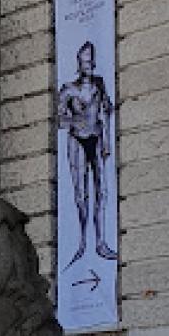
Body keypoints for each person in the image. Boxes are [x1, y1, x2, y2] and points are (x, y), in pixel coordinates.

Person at [58, 40, 116, 268]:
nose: (88, 66)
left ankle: (100, 242)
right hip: (77, 140)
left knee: (102, 191)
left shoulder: (99, 85)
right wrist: (76, 118)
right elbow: (60, 120)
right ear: (79, 64)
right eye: (85, 62)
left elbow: (107, 112)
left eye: (91, 61)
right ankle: (82, 241)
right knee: (81, 195)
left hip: (97, 137)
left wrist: (107, 142)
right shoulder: (68, 89)